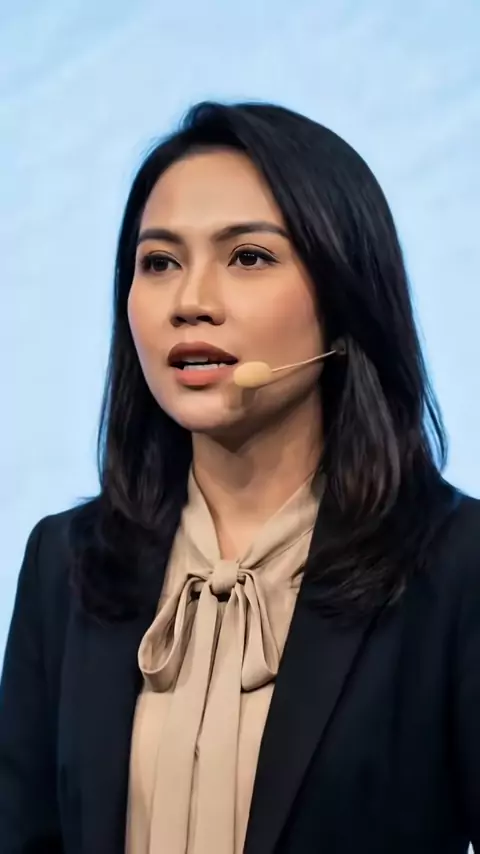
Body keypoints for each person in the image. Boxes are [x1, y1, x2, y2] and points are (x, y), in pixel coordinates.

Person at [0, 100, 479, 854]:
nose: (190, 302)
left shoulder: (457, 565)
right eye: (159, 263)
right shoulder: (64, 562)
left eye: (248, 257)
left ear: (344, 292)